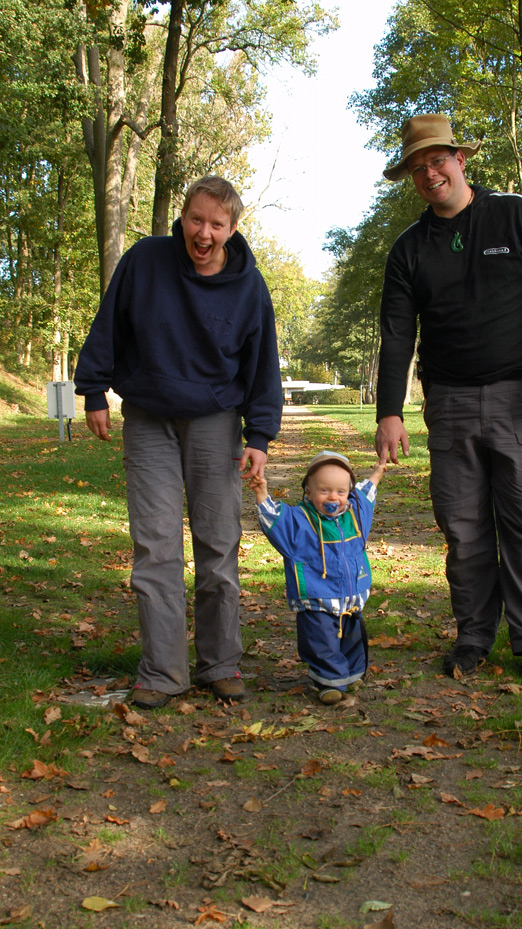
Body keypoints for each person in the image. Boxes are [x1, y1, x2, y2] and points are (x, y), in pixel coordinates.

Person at [375, 114, 522, 683]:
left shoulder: (515, 214)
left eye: (437, 160)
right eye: (417, 166)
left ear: (461, 160)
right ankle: (473, 636)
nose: (429, 172)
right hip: (450, 403)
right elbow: (396, 335)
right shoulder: (408, 249)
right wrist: (389, 411)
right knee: (462, 528)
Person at [74, 176, 282, 709]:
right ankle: (162, 671)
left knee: (218, 543)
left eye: (216, 224)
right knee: (156, 545)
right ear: (182, 219)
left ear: (233, 230)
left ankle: (220, 662)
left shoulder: (249, 287)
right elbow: (108, 325)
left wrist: (258, 434)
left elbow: (263, 368)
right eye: (196, 220)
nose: (204, 233)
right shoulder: (146, 261)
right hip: (148, 419)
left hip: (215, 421)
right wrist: (93, 389)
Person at [247, 451, 386, 704]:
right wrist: (261, 493)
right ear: (308, 492)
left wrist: (377, 472)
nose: (333, 497)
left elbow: (366, 494)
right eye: (324, 490)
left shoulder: (356, 515)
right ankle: (328, 682)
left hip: (351, 598)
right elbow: (275, 520)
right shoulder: (299, 521)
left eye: (341, 492)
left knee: (353, 638)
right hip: (317, 599)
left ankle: (352, 674)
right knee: (321, 643)